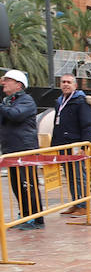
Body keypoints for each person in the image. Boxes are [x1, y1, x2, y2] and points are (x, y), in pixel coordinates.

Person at [52, 73, 91, 217]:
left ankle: (83, 205)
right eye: (63, 82)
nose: (65, 84)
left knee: (78, 175)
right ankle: (75, 203)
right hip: (63, 145)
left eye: (69, 82)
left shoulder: (80, 101)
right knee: (70, 176)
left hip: (77, 144)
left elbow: (87, 125)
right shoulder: (59, 101)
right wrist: (54, 145)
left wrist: (85, 147)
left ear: (75, 85)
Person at [1, 70, 41, 230]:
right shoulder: (8, 101)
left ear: (19, 85)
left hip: (24, 151)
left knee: (27, 185)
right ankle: (24, 215)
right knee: (16, 186)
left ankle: (34, 218)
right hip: (11, 150)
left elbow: (15, 115)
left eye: (8, 80)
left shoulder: (26, 101)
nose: (4, 82)